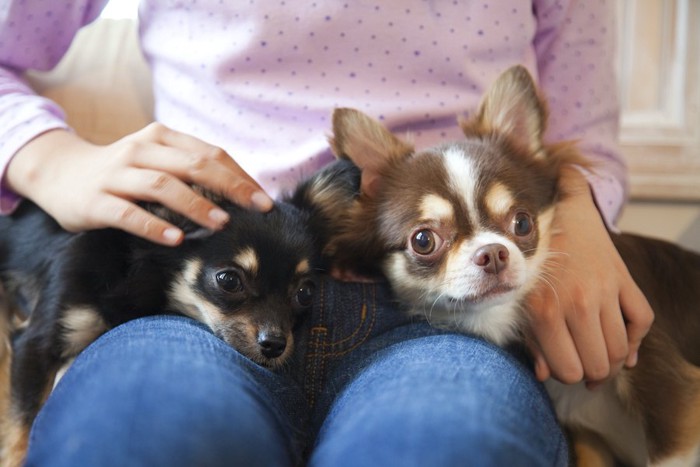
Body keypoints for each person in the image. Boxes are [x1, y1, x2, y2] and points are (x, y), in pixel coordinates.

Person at [0, 1, 653, 466]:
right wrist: (53, 159)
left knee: (450, 450)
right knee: (133, 441)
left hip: (449, 319)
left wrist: (577, 220)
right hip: (198, 298)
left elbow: (582, 135)